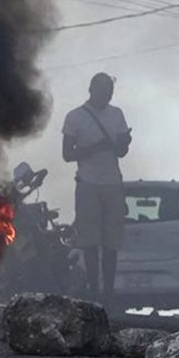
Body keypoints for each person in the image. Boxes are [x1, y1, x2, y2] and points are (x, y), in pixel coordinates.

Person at [62, 72, 132, 302]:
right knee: (90, 243)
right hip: (88, 184)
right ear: (92, 90)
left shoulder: (117, 114)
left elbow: (121, 152)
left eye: (110, 92)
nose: (107, 97)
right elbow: (67, 154)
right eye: (104, 92)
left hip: (113, 183)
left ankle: (108, 294)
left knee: (111, 244)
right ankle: (94, 293)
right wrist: (95, 147)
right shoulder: (75, 117)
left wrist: (124, 142)